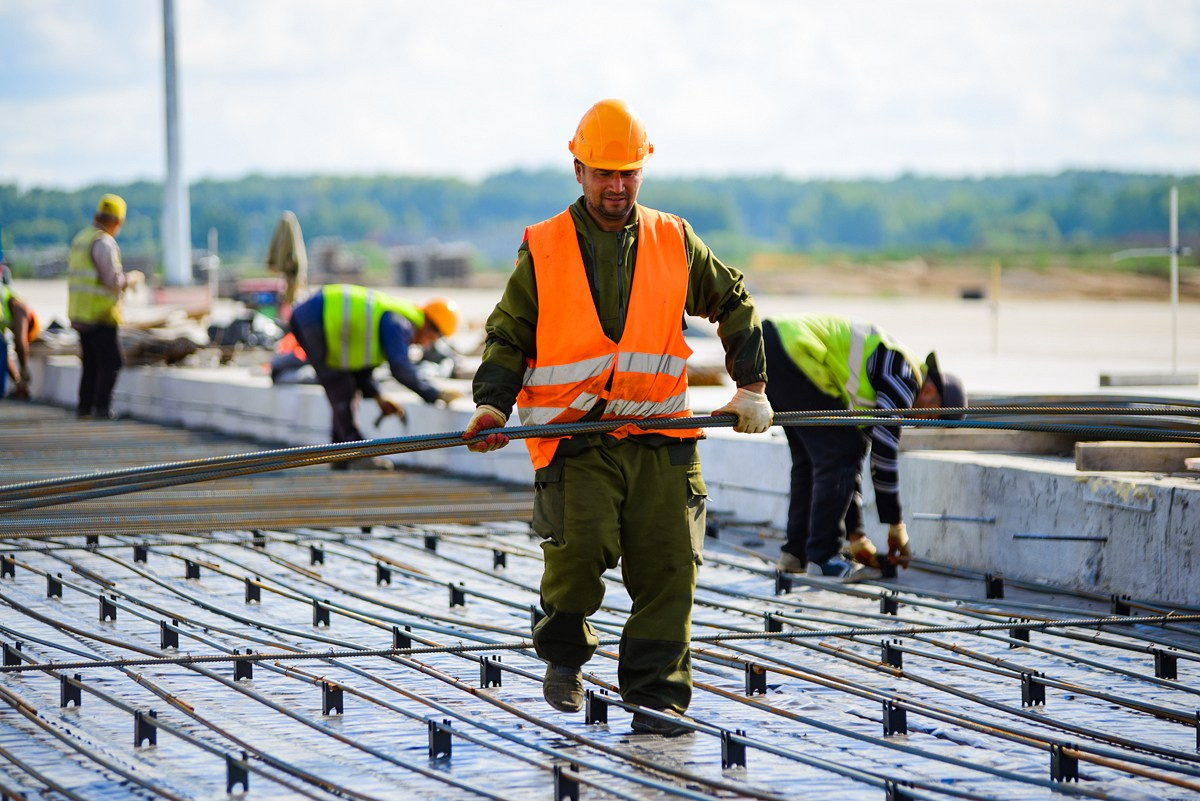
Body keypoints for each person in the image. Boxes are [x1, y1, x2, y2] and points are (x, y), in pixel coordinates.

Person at [462, 99, 772, 736]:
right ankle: (564, 655)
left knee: (668, 574)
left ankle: (656, 702)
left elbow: (733, 298)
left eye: (628, 172)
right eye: (603, 172)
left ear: (642, 170)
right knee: (578, 562)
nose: (616, 185)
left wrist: (752, 387)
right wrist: (493, 403)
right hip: (576, 441)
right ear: (578, 170)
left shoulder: (672, 238)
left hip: (662, 440)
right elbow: (509, 333)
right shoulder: (544, 247)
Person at [762, 313, 965, 580]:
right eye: (933, 416)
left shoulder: (889, 373)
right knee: (838, 453)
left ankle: (795, 554)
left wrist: (856, 536)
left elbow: (855, 457)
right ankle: (823, 558)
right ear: (929, 393)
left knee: (812, 460)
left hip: (772, 347)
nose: (923, 422)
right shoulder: (905, 375)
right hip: (797, 351)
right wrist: (895, 523)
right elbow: (883, 451)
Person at [287, 284, 462, 469]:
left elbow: (361, 368)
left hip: (316, 316)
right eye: (434, 338)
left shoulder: (400, 318)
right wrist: (433, 394)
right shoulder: (400, 323)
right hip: (315, 317)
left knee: (344, 385)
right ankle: (356, 453)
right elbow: (400, 367)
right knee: (340, 386)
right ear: (429, 327)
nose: (428, 344)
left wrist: (378, 396)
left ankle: (340, 455)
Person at [67, 193, 144, 419]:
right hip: (100, 313)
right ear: (118, 222)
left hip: (81, 313)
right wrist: (132, 279)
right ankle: (102, 408)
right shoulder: (103, 242)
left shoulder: (82, 238)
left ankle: (84, 408)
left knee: (90, 362)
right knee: (112, 361)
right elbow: (113, 281)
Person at [1, 283, 38, 399]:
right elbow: (20, 342)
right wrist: (24, 368)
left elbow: (5, 355)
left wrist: (17, 380)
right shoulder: (20, 307)